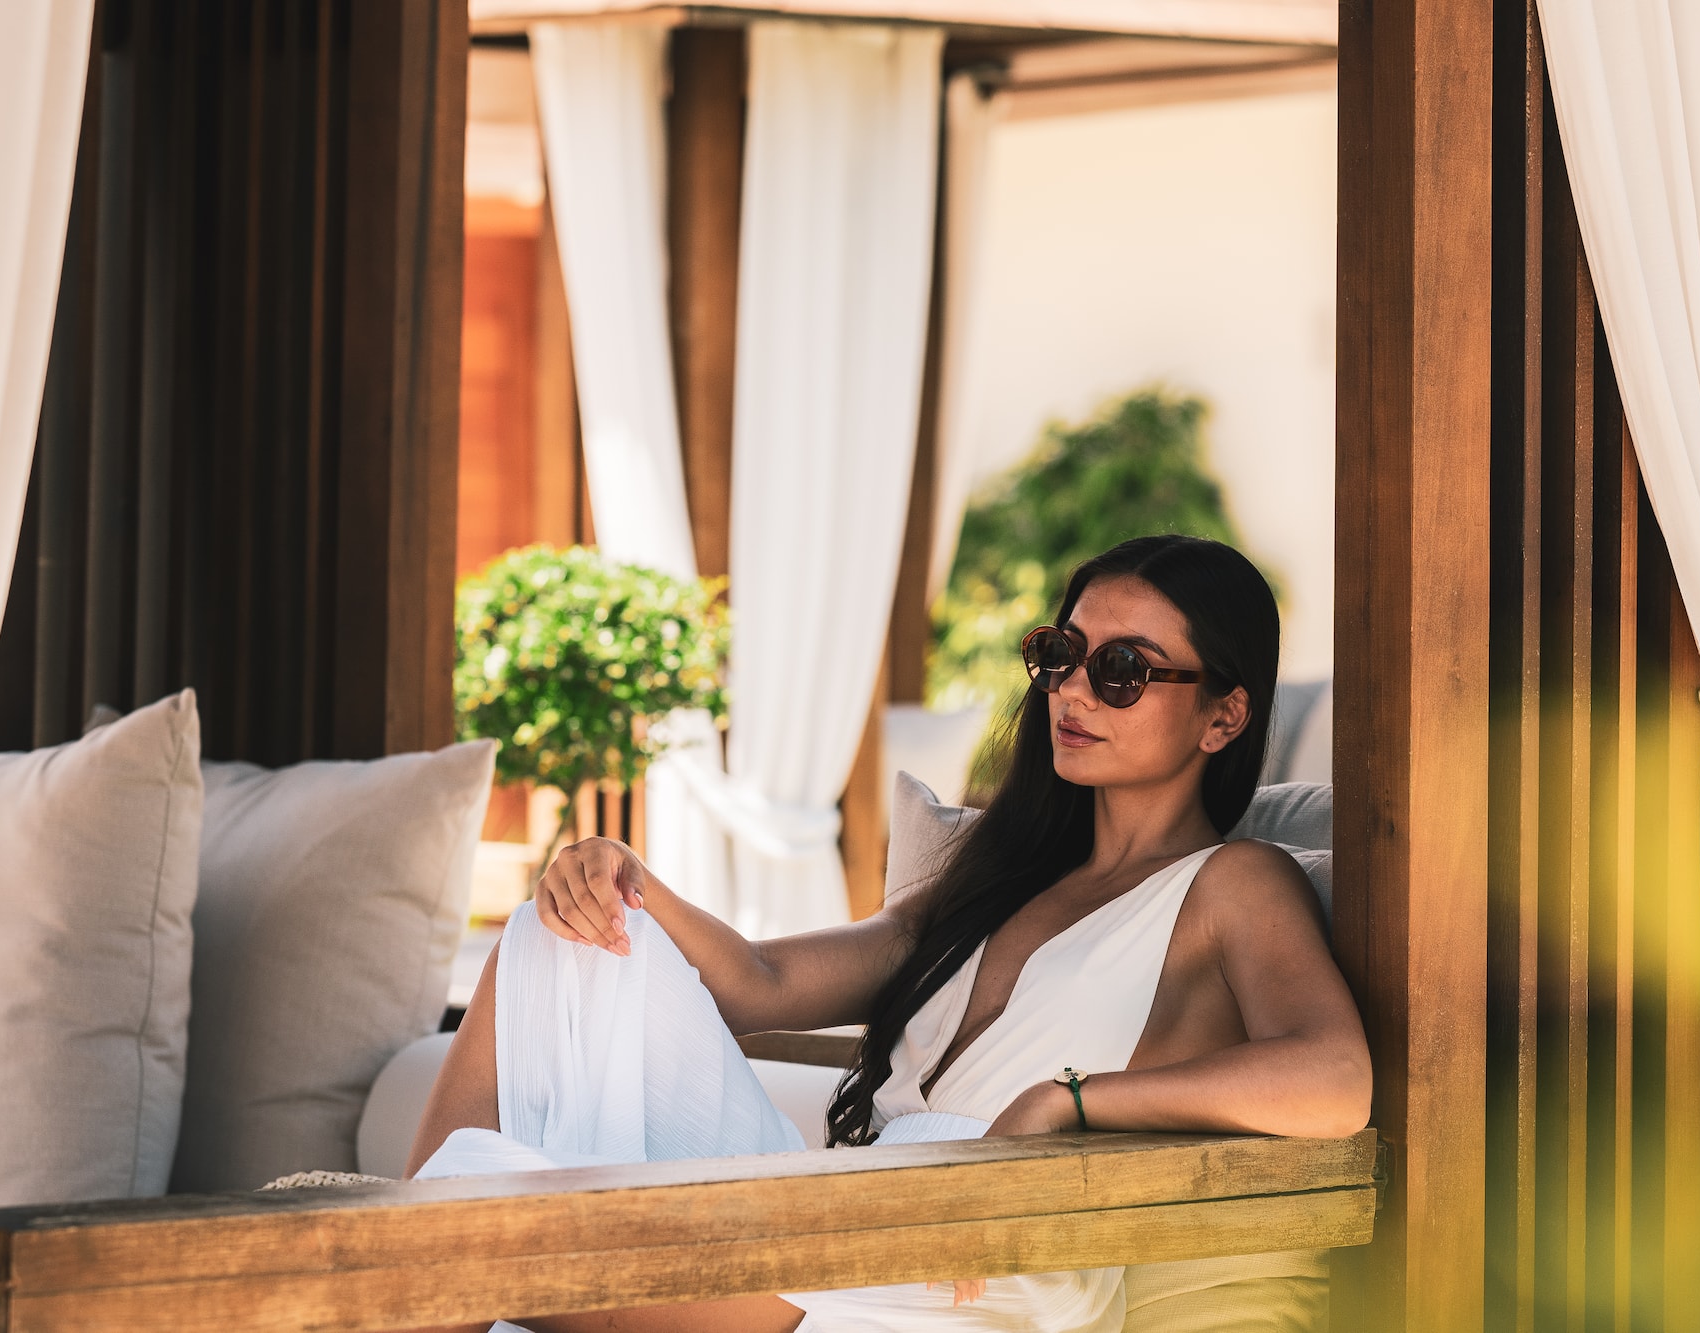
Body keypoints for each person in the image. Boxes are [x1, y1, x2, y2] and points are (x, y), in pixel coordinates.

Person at [407, 534, 1371, 1333]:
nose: (1073, 690)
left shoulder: (1233, 885)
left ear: (1225, 713)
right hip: (859, 1198)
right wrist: (623, 874)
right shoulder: (993, 875)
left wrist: (1064, 1102)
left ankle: (399, 1267)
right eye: (1059, 654)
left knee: (470, 1218)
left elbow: (1335, 1077)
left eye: (1121, 670)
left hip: (991, 1260)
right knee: (559, 937)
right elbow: (757, 982)